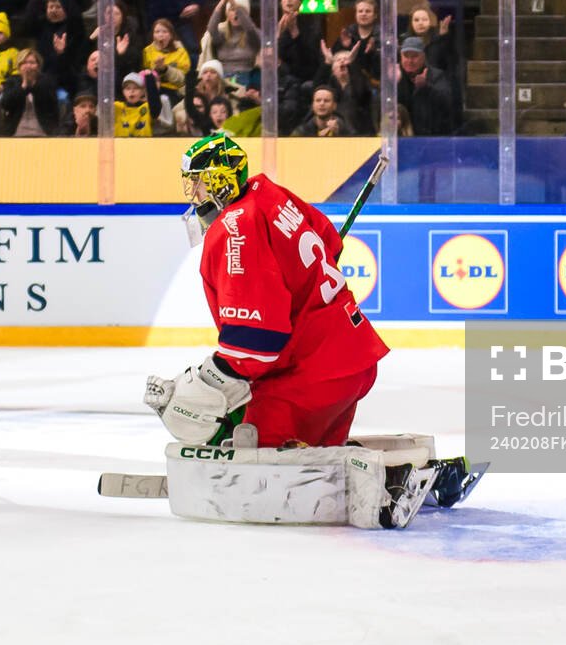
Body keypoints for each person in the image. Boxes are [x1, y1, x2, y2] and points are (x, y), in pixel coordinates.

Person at [146, 132, 444, 529]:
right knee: (313, 452)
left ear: (219, 181)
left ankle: (390, 479)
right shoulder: (269, 193)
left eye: (198, 182)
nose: (194, 193)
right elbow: (328, 244)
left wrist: (208, 381)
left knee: (251, 451)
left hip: (308, 376)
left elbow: (256, 339)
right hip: (351, 357)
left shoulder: (235, 226)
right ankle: (403, 467)